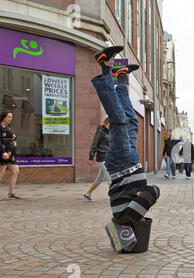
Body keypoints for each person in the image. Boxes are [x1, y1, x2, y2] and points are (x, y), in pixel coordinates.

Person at [90, 46, 159, 252]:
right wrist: (139, 197)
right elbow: (145, 194)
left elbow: (152, 191)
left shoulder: (124, 216)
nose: (143, 217)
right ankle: (121, 77)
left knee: (119, 121)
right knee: (131, 121)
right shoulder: (126, 213)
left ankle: (103, 67)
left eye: (141, 218)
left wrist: (142, 198)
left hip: (122, 163)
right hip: (130, 161)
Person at [83, 117, 111, 202]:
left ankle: (87, 194)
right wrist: (91, 157)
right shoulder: (101, 131)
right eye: (110, 124)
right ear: (106, 122)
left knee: (100, 178)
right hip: (101, 158)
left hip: (107, 157)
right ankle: (116, 198)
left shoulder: (110, 132)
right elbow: (94, 144)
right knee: (111, 178)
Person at [0, 109, 21, 200]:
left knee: (15, 171)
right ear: (3, 117)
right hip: (3, 153)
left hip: (11, 154)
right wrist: (3, 152)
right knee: (1, 173)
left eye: (11, 117)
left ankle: (11, 193)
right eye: (8, 117)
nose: (10, 119)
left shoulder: (8, 128)